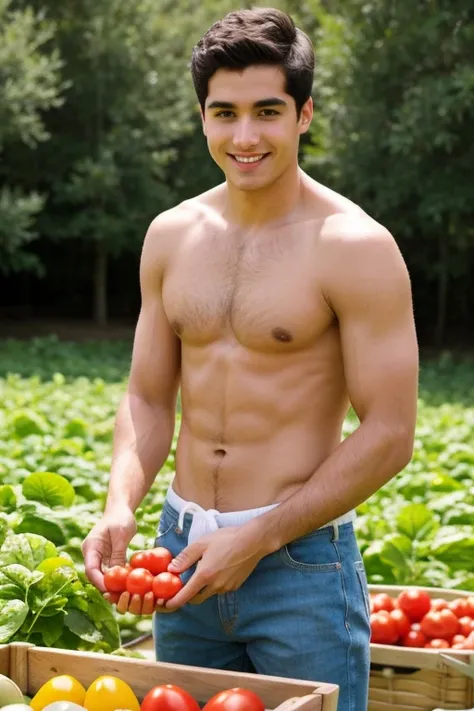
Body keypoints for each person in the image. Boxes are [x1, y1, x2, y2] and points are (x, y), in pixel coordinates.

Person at [82, 7, 419, 710]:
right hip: (180, 552)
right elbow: (147, 397)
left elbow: (390, 433)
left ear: (304, 114)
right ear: (202, 116)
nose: (244, 136)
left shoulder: (355, 246)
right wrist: (121, 503)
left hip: (299, 565)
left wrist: (259, 536)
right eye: (224, 112)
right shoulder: (170, 236)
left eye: (267, 111)